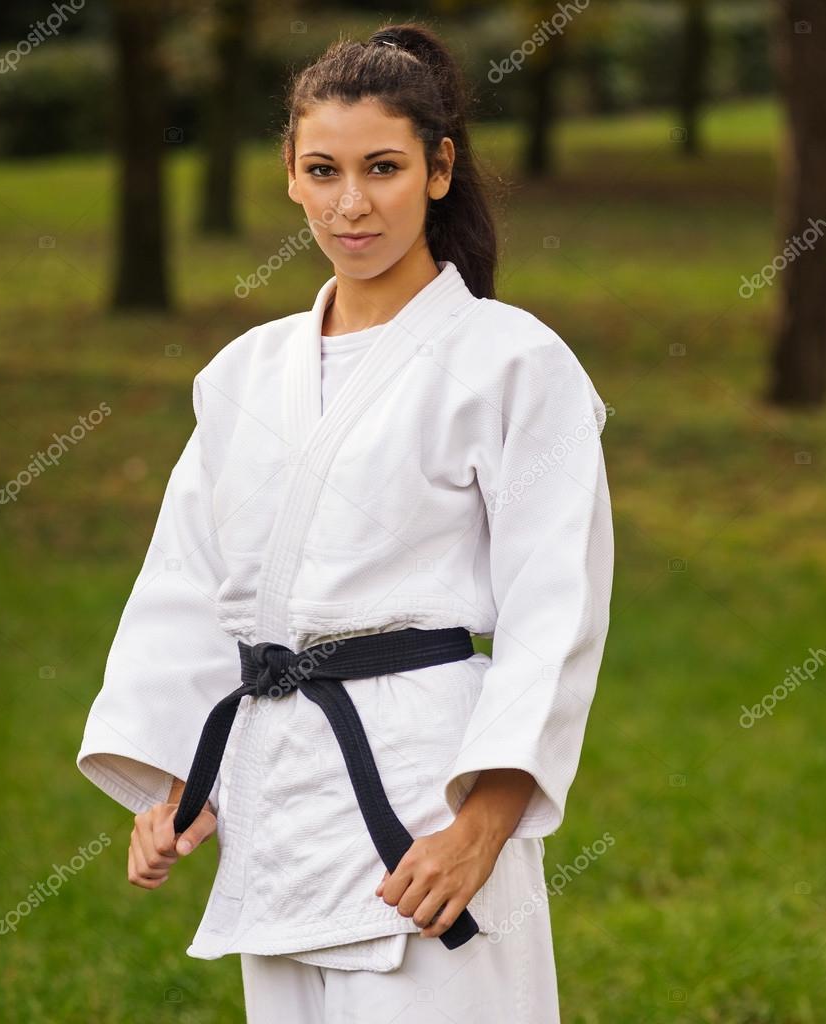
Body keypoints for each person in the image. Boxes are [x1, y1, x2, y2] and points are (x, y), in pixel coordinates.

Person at [77, 21, 613, 1023]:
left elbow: (556, 604)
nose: (351, 203)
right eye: (323, 170)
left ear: (439, 170)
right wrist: (177, 785)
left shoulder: (511, 362)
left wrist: (483, 824)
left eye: (383, 168)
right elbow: (189, 583)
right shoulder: (243, 374)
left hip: (425, 803)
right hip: (276, 801)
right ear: (288, 174)